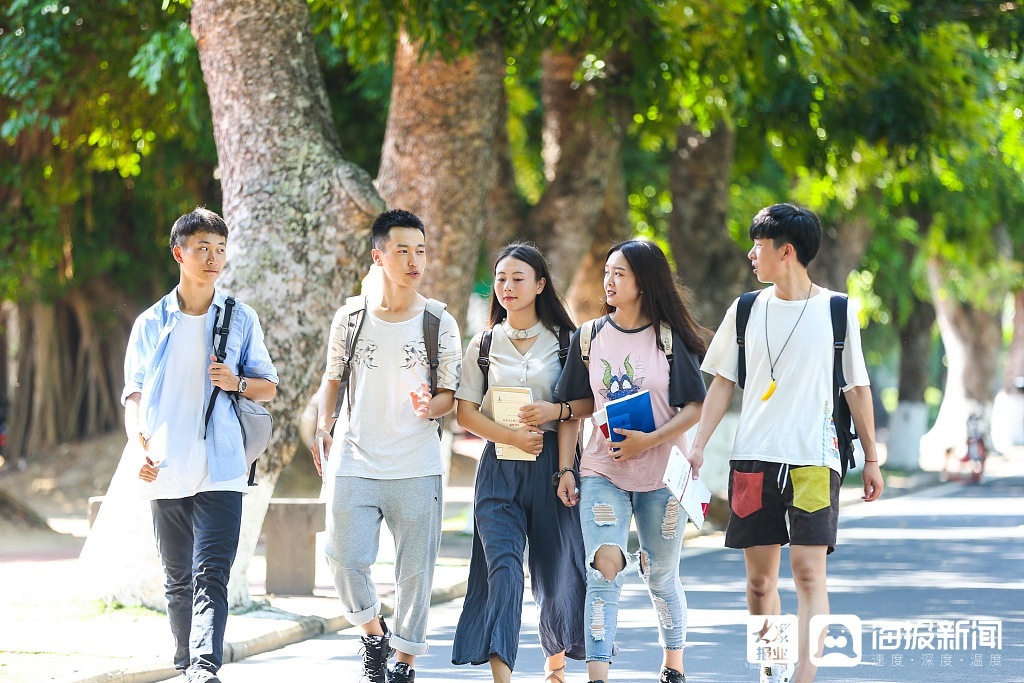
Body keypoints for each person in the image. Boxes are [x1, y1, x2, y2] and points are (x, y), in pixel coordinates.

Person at [685, 203, 884, 683]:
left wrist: (873, 459)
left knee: (809, 573)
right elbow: (721, 384)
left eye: (758, 246)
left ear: (786, 251)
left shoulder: (837, 310)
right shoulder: (747, 308)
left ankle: (803, 674)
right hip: (753, 458)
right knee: (759, 583)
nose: (751, 254)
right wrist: (697, 445)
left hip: (815, 458)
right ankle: (771, 663)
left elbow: (856, 388)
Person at [122, 207, 279, 683]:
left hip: (223, 465)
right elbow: (133, 398)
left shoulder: (239, 317)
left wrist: (236, 381)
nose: (213, 258)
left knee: (211, 572)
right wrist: (140, 450)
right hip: (167, 466)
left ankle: (203, 667)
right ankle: (184, 660)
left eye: (219, 249)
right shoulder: (151, 323)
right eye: (201, 248)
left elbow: (267, 387)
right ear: (179, 253)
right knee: (178, 580)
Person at [311, 209, 462, 683]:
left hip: (417, 465)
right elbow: (332, 377)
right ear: (378, 256)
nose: (414, 260)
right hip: (355, 458)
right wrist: (324, 424)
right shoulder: (350, 317)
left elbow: (450, 395)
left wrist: (430, 406)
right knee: (342, 556)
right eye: (402, 250)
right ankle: (374, 633)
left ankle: (404, 663)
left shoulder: (440, 321)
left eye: (420, 250)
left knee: (415, 575)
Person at [553, 239, 707, 683]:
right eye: (607, 272)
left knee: (660, 576)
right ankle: (598, 675)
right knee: (604, 568)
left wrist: (649, 441)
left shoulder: (669, 339)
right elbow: (573, 408)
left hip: (662, 476)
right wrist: (566, 468)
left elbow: (694, 408)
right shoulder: (589, 336)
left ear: (644, 282)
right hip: (603, 472)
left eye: (619, 273)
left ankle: (673, 666)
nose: (609, 281)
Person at [451, 242, 587, 683]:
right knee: (503, 569)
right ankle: (502, 676)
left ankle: (556, 662)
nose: (507, 287)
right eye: (501, 279)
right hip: (498, 467)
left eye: (518, 278)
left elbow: (576, 409)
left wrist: (566, 464)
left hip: (551, 466)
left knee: (555, 570)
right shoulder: (484, 343)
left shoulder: (568, 342)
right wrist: (509, 436)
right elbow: (466, 411)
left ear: (541, 284)